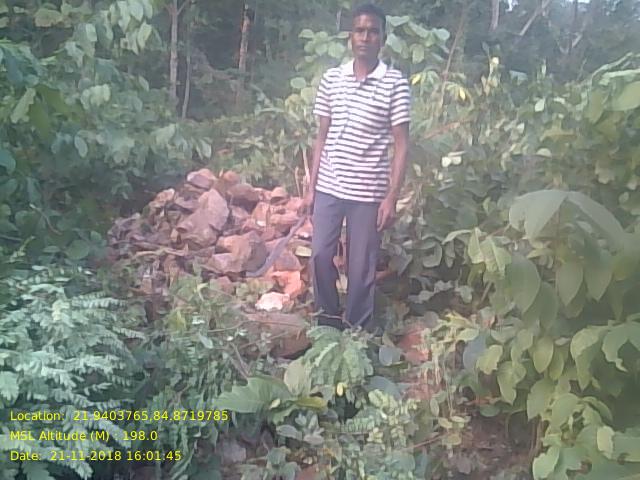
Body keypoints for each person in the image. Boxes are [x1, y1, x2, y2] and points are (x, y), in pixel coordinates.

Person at [302, 3, 411, 331]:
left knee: (360, 267)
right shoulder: (332, 79)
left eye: (373, 31)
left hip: (368, 193)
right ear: (350, 36)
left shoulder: (395, 84)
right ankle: (327, 323)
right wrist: (311, 188)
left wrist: (392, 197)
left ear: (383, 38)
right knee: (320, 256)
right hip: (329, 188)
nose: (365, 37)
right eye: (360, 30)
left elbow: (402, 145)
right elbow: (321, 137)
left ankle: (357, 334)